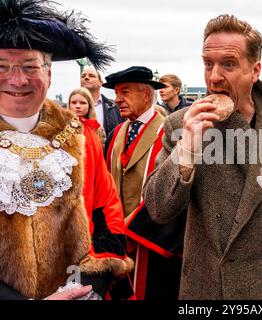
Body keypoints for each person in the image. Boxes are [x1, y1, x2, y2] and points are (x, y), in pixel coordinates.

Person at [144, 14, 262, 300]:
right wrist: (187, 148)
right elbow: (159, 209)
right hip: (208, 283)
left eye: (229, 64)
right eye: (208, 63)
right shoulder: (181, 123)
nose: (214, 76)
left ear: (255, 70)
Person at [0, 0, 133, 300]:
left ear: (49, 74)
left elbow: (107, 213)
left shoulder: (77, 135)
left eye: (30, 66)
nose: (17, 79)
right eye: (2, 66)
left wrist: (89, 286)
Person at [104, 66, 184, 300]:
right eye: (117, 93)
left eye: (125, 92)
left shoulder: (169, 134)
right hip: (118, 239)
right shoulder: (117, 132)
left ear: (147, 95)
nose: (117, 100)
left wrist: (129, 226)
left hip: (152, 243)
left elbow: (173, 189)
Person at [81, 65, 124, 138]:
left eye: (91, 76)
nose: (86, 77)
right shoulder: (70, 108)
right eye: (83, 76)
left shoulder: (115, 107)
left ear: (101, 83)